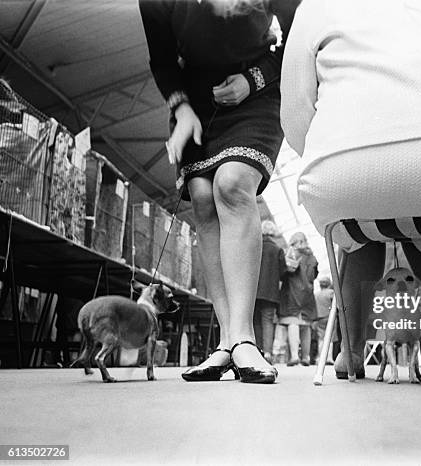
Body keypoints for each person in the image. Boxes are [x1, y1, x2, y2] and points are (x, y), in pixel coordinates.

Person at [281, 0, 421, 381]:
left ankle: (350, 351)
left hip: (347, 166)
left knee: (359, 227)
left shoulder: (316, 7)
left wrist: (345, 154)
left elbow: (295, 118)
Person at [139, 0, 301, 384]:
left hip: (257, 89)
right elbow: (161, 58)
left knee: (231, 185)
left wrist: (254, 80)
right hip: (194, 98)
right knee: (202, 198)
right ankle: (227, 340)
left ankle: (245, 339)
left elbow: (299, 39)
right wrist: (181, 110)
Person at [278, 232, 318, 366]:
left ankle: (295, 355)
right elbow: (314, 275)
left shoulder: (291, 254)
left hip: (292, 294)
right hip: (308, 295)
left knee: (293, 323)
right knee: (305, 325)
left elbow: (284, 272)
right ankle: (306, 357)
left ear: (294, 242)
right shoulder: (312, 257)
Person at [253, 220, 286, 363]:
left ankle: (256, 351)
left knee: (255, 321)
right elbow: (283, 271)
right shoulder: (278, 249)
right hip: (270, 292)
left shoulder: (254, 246)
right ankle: (267, 353)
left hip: (253, 291)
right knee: (267, 321)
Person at [313, 277, 334, 365]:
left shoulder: (316, 294)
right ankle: (329, 358)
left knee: (321, 339)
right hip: (330, 318)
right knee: (330, 339)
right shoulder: (331, 293)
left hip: (319, 318)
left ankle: (320, 358)